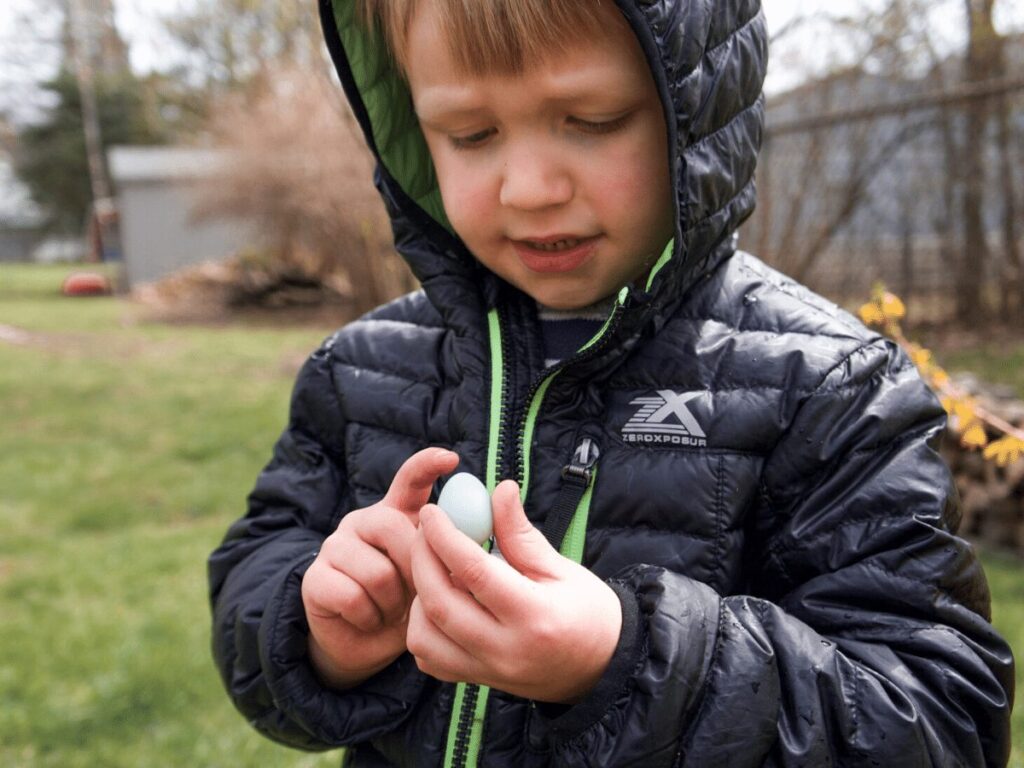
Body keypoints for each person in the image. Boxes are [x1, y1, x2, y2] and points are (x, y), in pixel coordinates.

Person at [208, 0, 1015, 765]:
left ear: (696, 108)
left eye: (591, 123)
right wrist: (318, 634)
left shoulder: (829, 388)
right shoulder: (359, 369)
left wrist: (627, 662)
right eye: (470, 132)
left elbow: (939, 719)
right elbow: (254, 577)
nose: (528, 188)